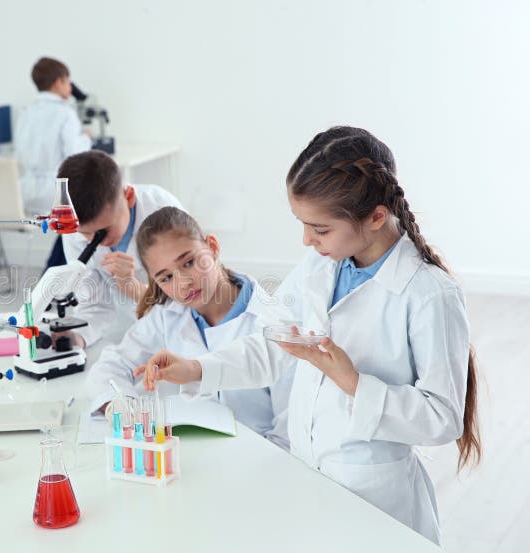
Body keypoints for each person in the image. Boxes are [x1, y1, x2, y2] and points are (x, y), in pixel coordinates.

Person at [135, 127, 481, 544]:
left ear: (374, 216)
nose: (306, 240)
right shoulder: (321, 265)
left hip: (374, 496)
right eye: (302, 225)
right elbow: (275, 343)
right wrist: (195, 369)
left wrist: (351, 382)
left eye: (319, 229)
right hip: (308, 477)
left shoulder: (429, 294)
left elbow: (443, 418)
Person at [84, 207, 291, 446]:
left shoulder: (273, 320)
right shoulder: (168, 316)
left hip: (258, 461)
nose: (183, 284)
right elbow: (110, 366)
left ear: (212, 247)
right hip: (190, 460)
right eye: (166, 277)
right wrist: (119, 404)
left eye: (189, 262)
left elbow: (289, 431)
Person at [56, 150, 182, 348]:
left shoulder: (166, 214)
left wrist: (134, 288)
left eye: (101, 232)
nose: (92, 241)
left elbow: (188, 302)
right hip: (125, 333)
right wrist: (76, 337)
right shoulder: (74, 229)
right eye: (84, 233)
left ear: (129, 197)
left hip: (178, 335)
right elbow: (93, 305)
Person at [14, 56, 91, 267]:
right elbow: (74, 156)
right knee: (91, 213)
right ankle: (52, 275)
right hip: (54, 194)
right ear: (59, 83)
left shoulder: (26, 113)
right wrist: (86, 139)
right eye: (68, 82)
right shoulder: (65, 114)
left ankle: (56, 274)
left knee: (75, 220)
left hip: (23, 193)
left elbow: (19, 152)